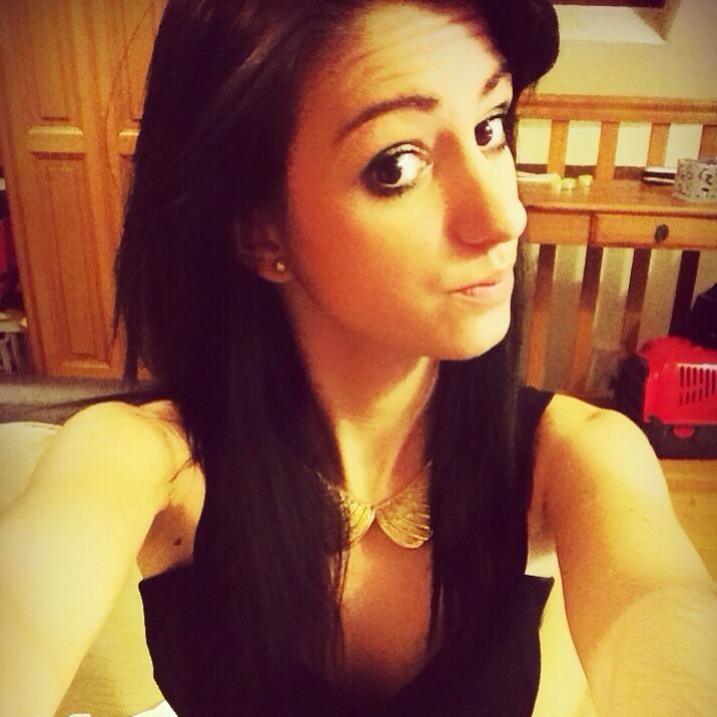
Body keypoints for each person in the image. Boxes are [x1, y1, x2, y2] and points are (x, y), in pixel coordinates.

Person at [1, 0, 715, 714]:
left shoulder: (578, 456)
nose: (504, 217)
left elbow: (658, 609)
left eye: (490, 127)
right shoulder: (141, 458)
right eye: (397, 164)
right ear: (260, 231)